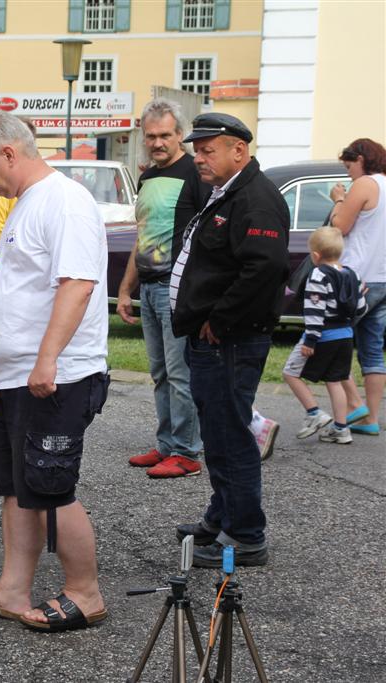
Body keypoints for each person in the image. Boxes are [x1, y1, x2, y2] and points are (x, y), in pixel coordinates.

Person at [0, 110, 110, 632]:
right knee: (19, 487)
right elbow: (22, 287)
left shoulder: (64, 202)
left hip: (58, 376)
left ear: (9, 154)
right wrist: (0, 354)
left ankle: (85, 593)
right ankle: (11, 589)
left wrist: (45, 359)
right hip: (20, 374)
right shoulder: (25, 202)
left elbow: (77, 284)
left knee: (52, 488)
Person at [169, 113, 290, 568]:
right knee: (217, 432)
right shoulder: (228, 192)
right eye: (197, 150)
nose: (199, 157)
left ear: (239, 150)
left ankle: (245, 535)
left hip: (230, 340)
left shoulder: (255, 199)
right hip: (217, 338)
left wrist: (218, 320)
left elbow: (262, 270)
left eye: (207, 149)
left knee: (229, 435)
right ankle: (221, 517)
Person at [117, 99, 206, 478]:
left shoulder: (196, 173)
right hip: (150, 287)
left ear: (180, 134)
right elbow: (143, 236)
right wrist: (125, 289)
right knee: (160, 372)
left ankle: (187, 452)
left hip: (178, 288)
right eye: (150, 136)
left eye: (164, 135)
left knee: (180, 372)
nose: (157, 143)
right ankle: (168, 444)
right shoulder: (148, 177)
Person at [283, 226, 366, 443]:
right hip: (346, 336)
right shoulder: (352, 274)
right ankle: (341, 429)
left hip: (322, 335)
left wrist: (310, 339)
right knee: (335, 379)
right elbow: (360, 309)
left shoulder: (318, 275)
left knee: (290, 372)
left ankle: (314, 413)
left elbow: (314, 310)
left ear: (316, 255)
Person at [331, 138, 386, 436]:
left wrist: (339, 198)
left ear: (362, 159)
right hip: (383, 278)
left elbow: (340, 226)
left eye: (349, 165)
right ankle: (371, 418)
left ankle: (355, 403)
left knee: (332, 335)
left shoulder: (365, 184)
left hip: (357, 277)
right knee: (373, 349)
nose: (349, 172)